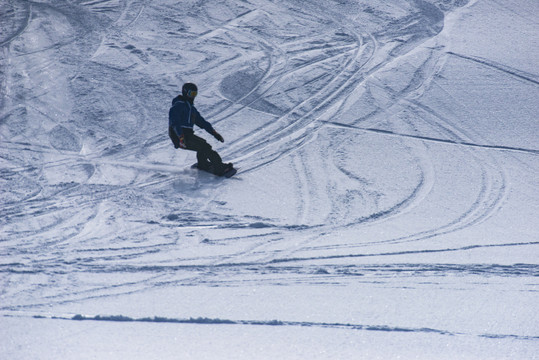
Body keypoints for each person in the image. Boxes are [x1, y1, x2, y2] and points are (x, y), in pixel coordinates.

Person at [168, 83, 233, 176]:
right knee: (205, 147)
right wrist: (180, 137)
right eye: (191, 94)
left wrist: (214, 133)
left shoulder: (192, 109)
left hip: (187, 135)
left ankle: (203, 165)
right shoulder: (178, 106)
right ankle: (220, 169)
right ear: (185, 93)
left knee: (203, 145)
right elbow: (174, 122)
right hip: (178, 135)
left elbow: (202, 122)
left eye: (195, 94)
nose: (193, 97)